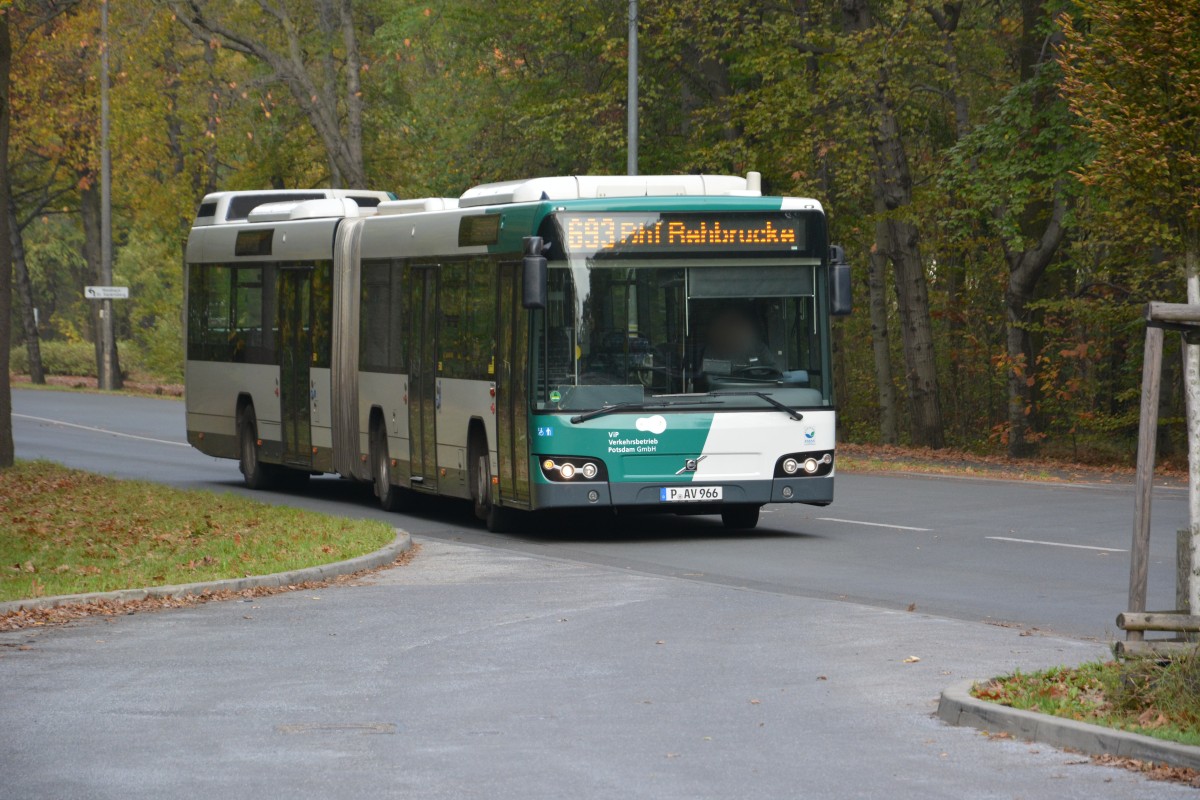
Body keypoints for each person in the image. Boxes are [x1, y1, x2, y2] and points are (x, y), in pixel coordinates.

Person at [702, 306, 778, 372]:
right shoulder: (713, 350)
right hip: (726, 388)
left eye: (738, 324)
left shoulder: (758, 347)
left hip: (758, 387)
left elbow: (774, 371)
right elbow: (710, 378)